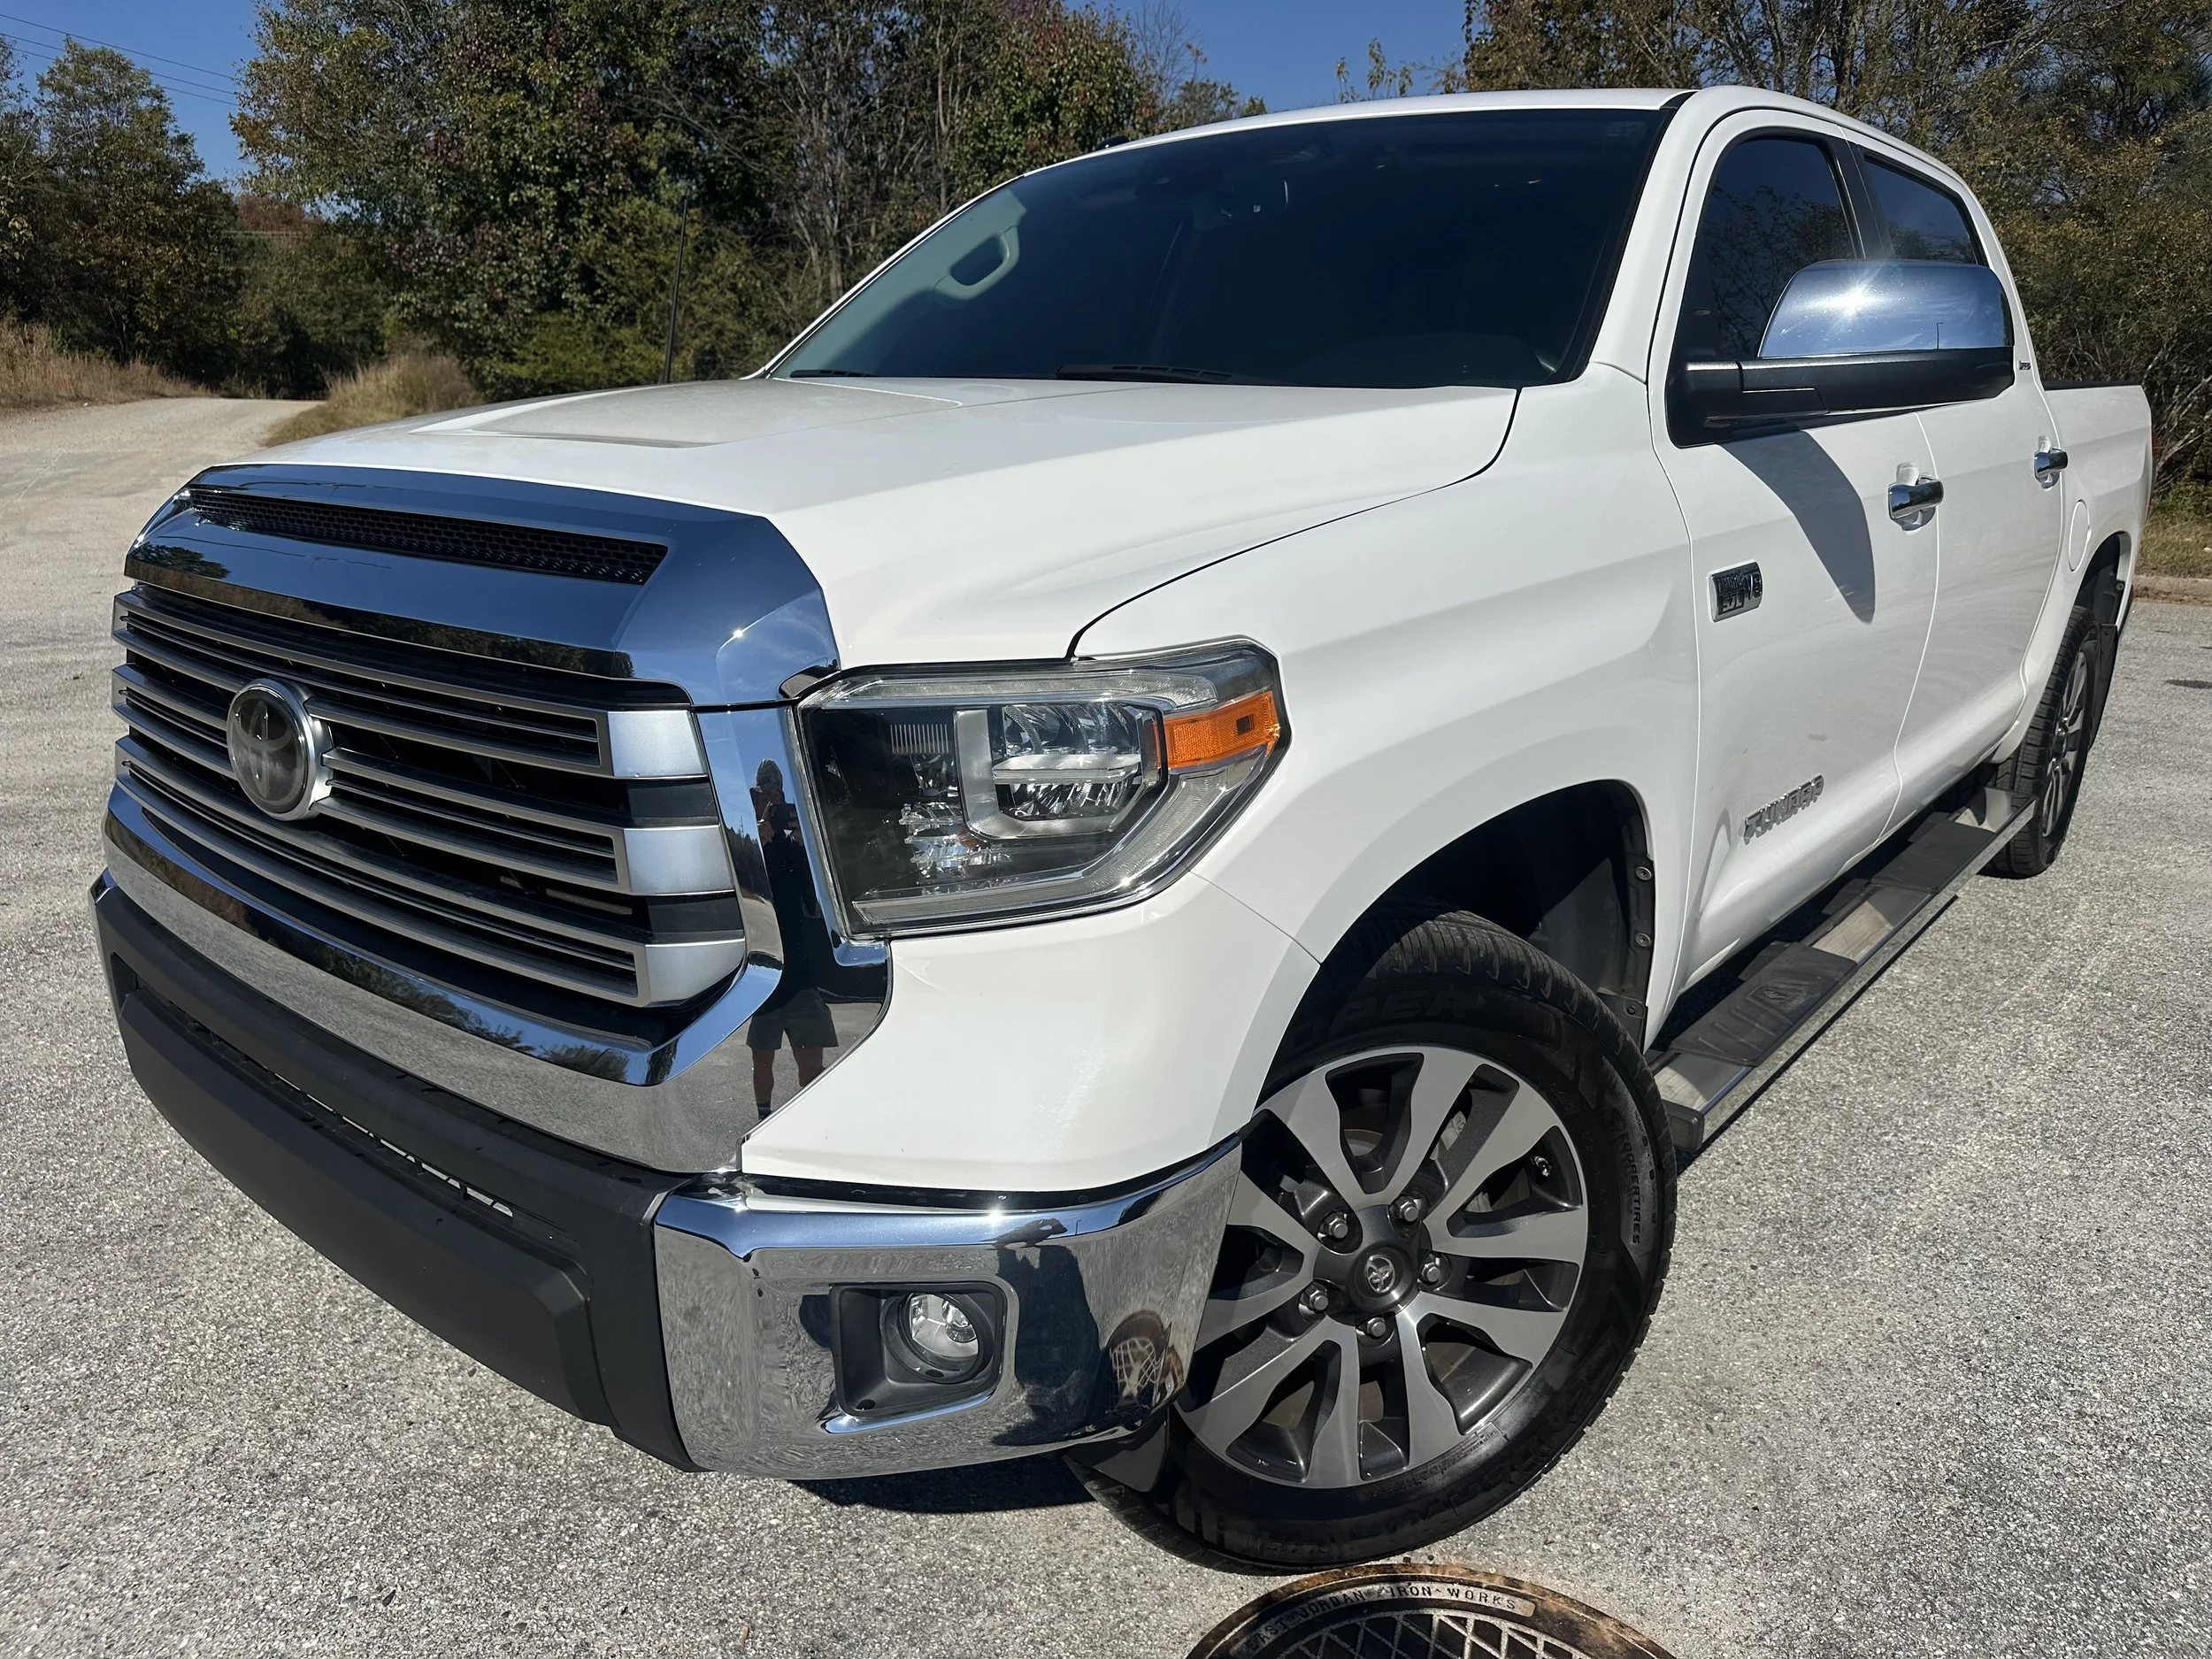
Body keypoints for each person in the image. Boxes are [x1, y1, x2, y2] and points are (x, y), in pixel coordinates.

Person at [746, 759, 837, 1119]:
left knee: (811, 1061)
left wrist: (806, 844)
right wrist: (755, 838)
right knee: (761, 1060)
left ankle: (810, 1120)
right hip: (765, 974)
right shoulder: (746, 844)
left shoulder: (796, 847)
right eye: (765, 795)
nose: (773, 804)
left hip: (799, 973)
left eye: (778, 796)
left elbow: (816, 899)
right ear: (755, 798)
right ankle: (763, 1117)